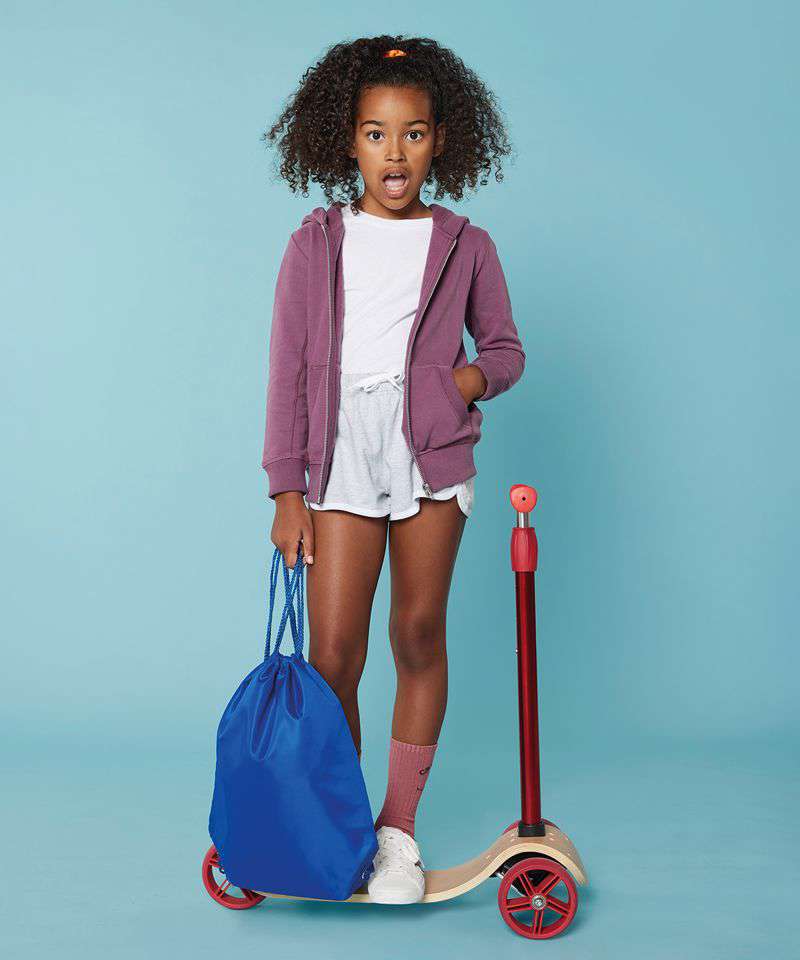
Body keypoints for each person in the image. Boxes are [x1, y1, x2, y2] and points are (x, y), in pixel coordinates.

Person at [261, 35, 525, 904]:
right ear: (348, 140)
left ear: (441, 139)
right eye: (376, 134)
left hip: (429, 453)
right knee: (333, 655)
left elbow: (505, 350)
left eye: (413, 133)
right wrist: (286, 491)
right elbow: (288, 373)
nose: (395, 153)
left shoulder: (465, 244)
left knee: (416, 634)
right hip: (338, 453)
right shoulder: (316, 243)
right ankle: (340, 829)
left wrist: (460, 384)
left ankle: (397, 835)